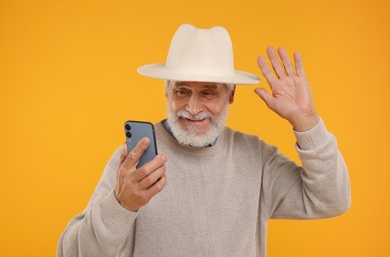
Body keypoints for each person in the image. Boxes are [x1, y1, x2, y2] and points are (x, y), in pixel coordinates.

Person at [57, 24, 351, 257]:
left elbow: (331, 199)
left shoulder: (256, 158)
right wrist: (121, 205)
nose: (193, 108)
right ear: (166, 90)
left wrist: (306, 120)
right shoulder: (134, 162)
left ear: (231, 94)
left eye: (208, 93)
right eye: (182, 91)